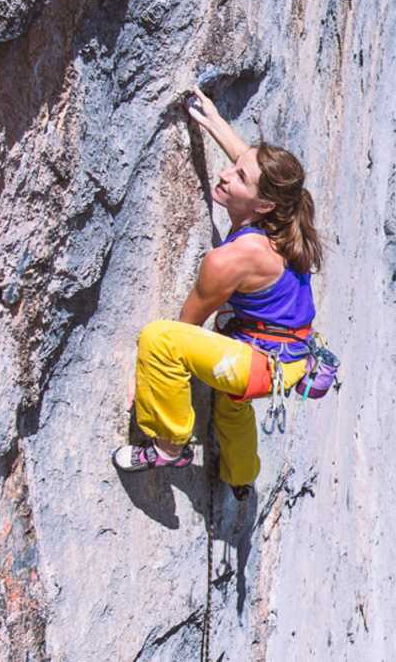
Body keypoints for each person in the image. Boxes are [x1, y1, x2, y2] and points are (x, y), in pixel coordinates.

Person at [113, 87, 325, 500]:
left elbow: (185, 326)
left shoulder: (231, 260)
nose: (226, 175)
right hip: (292, 353)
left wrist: (149, 384)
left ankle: (169, 447)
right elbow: (250, 163)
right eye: (234, 167)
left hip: (264, 362)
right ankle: (241, 476)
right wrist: (210, 118)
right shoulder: (283, 209)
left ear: (262, 205)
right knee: (232, 406)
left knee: (158, 339)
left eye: (239, 177)